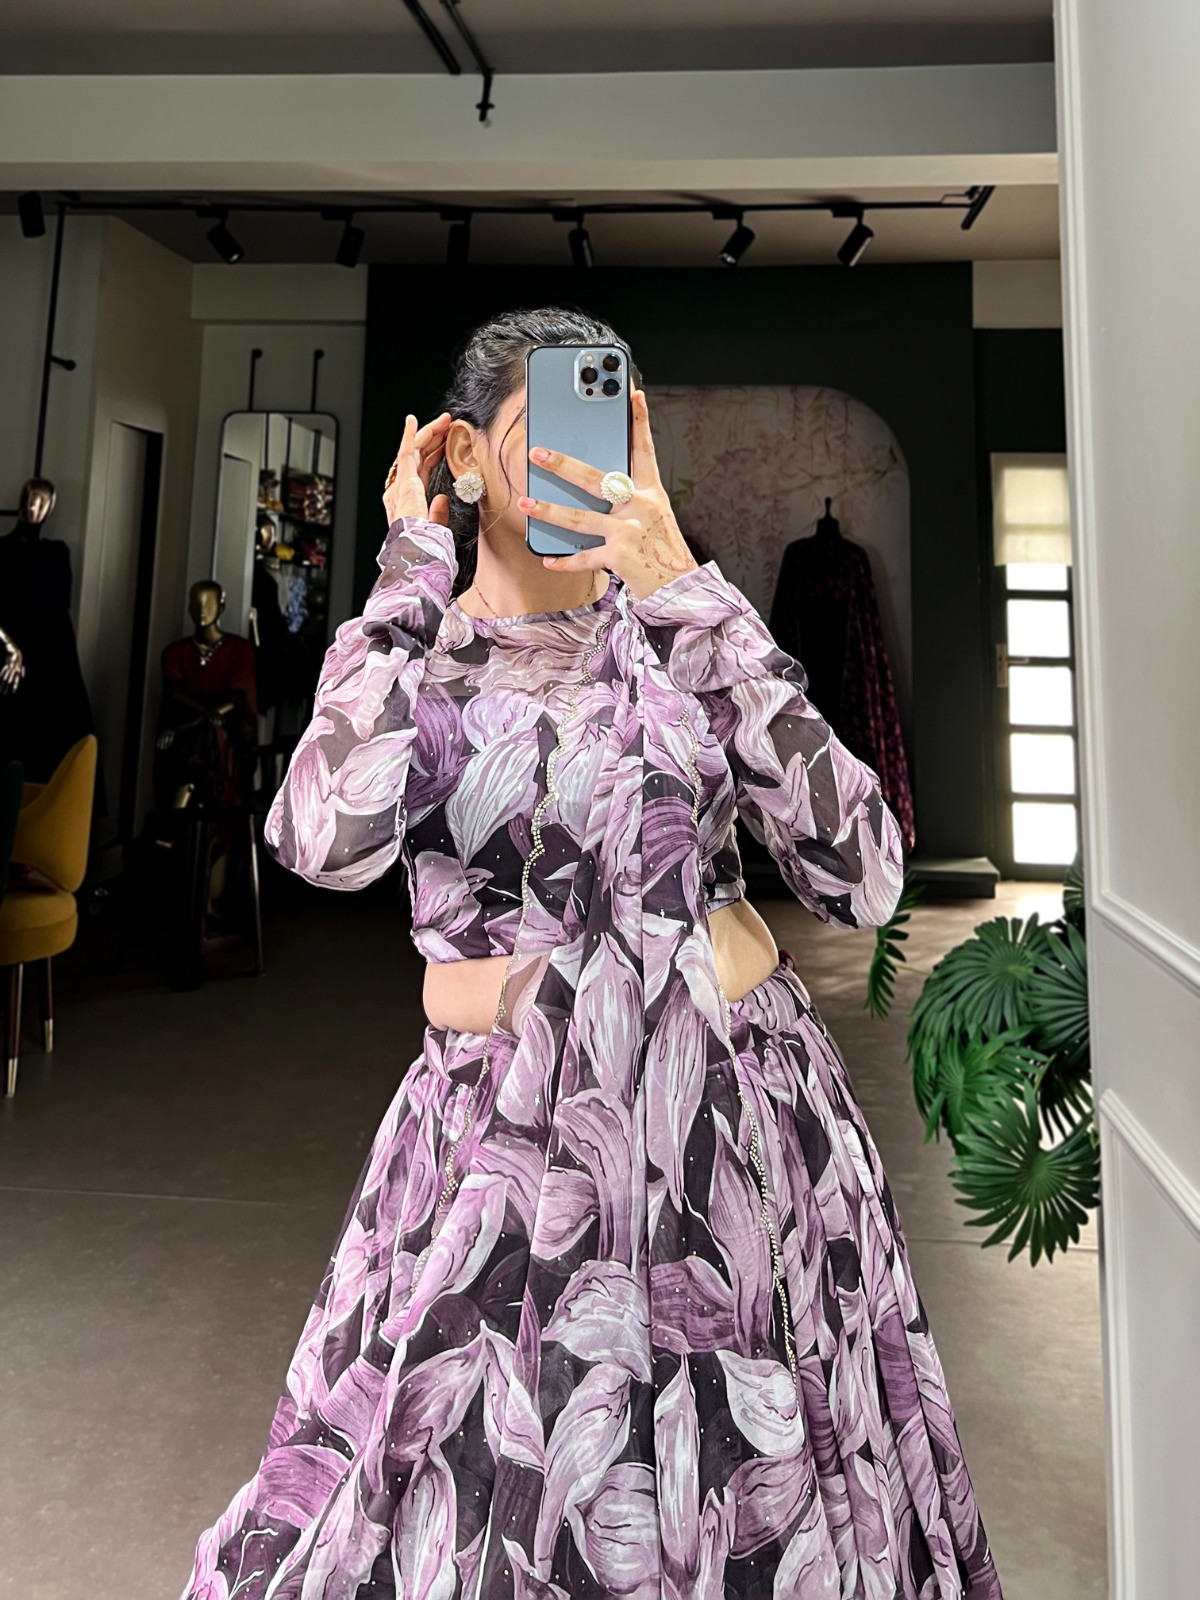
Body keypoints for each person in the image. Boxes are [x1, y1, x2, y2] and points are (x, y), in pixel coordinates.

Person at [178, 308, 1002, 1599]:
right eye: (538, 433)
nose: (577, 461)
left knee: (755, 1503)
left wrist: (686, 592)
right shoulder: (423, 659)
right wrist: (408, 568)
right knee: (500, 1499)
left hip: (743, 1135)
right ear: (462, 455)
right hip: (509, 1151)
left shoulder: (690, 635)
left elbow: (866, 874)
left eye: (602, 427)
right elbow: (322, 840)